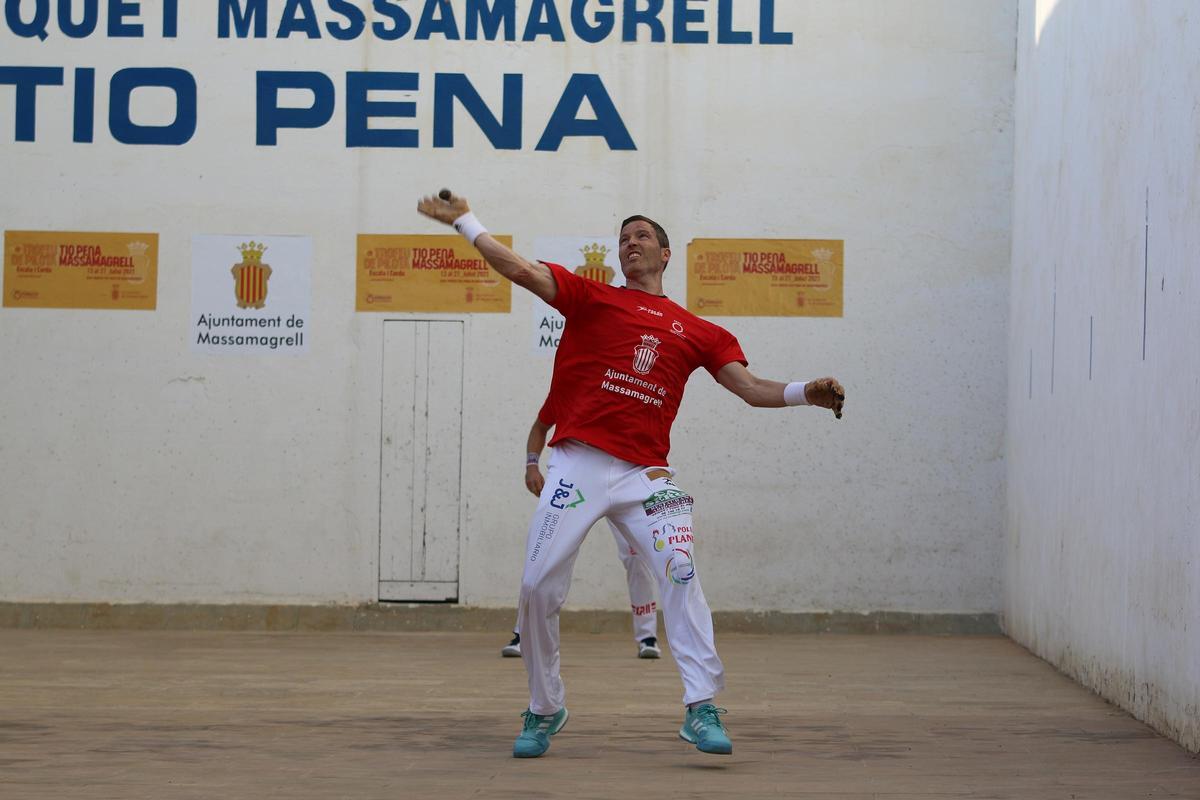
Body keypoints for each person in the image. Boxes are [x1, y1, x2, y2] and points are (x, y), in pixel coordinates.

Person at [417, 191, 845, 759]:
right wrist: (466, 222)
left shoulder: (700, 331)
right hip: (578, 464)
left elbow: (749, 388)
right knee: (536, 584)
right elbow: (518, 267)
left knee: (682, 573)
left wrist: (804, 394)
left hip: (648, 477)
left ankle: (701, 706)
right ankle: (546, 708)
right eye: (623, 238)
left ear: (666, 255)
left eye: (641, 236)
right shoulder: (591, 297)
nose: (630, 243)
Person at [503, 395, 661, 660]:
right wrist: (532, 464)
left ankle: (647, 635)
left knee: (636, 555)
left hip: (626, 477)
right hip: (578, 481)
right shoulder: (571, 387)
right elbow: (540, 426)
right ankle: (523, 633)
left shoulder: (626, 387)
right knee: (545, 553)